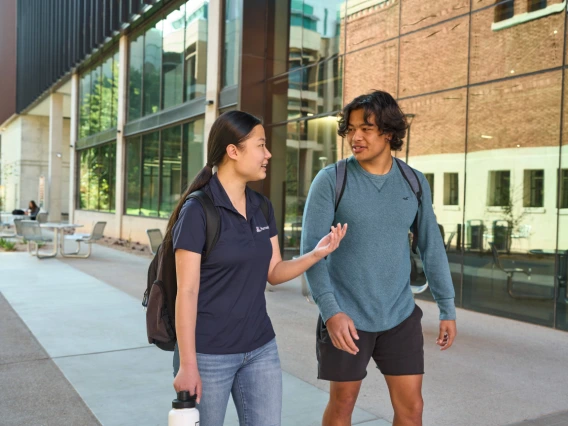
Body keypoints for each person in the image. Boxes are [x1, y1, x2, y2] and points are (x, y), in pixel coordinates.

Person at [168, 110, 347, 426]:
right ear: (233, 151)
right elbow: (187, 292)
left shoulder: (262, 207)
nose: (269, 154)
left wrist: (317, 254)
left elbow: (274, 272)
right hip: (209, 354)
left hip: (260, 348)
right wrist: (187, 363)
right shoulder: (198, 210)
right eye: (261, 145)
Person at [301, 91, 457, 426]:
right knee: (343, 405)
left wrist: (447, 305)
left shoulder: (413, 182)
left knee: (412, 408)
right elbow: (310, 255)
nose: (356, 137)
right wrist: (331, 313)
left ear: (388, 131)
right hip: (346, 316)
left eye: (367, 128)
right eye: (352, 128)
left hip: (399, 315)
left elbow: (431, 246)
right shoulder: (331, 180)